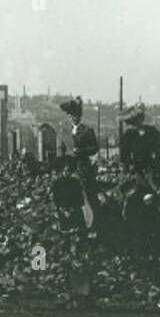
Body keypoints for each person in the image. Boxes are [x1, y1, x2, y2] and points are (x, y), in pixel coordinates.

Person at [58, 96, 100, 228]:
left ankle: (92, 223)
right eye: (70, 116)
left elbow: (95, 148)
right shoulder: (64, 132)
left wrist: (81, 151)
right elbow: (61, 149)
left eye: (75, 115)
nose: (73, 118)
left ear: (79, 116)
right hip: (69, 168)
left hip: (83, 167)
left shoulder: (87, 131)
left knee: (87, 195)